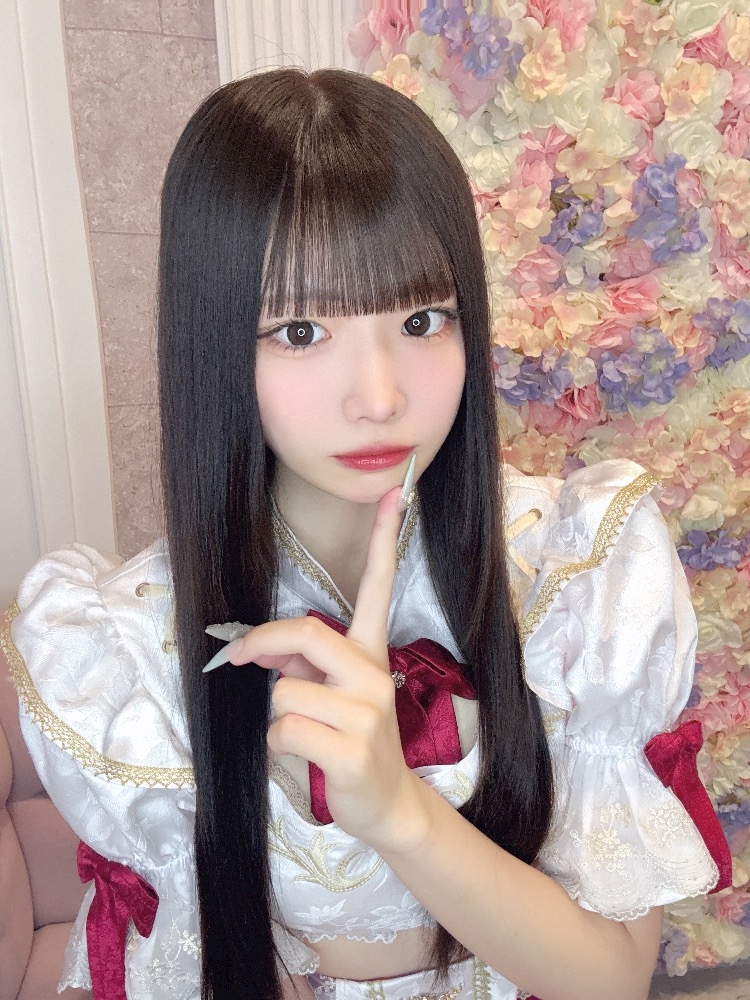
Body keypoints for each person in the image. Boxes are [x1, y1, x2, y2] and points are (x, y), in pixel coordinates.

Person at [2, 68, 726, 1000]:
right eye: (301, 331)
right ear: (213, 339)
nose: (381, 396)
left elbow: (612, 980)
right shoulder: (129, 648)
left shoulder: (570, 568)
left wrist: (397, 812)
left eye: (422, 319)